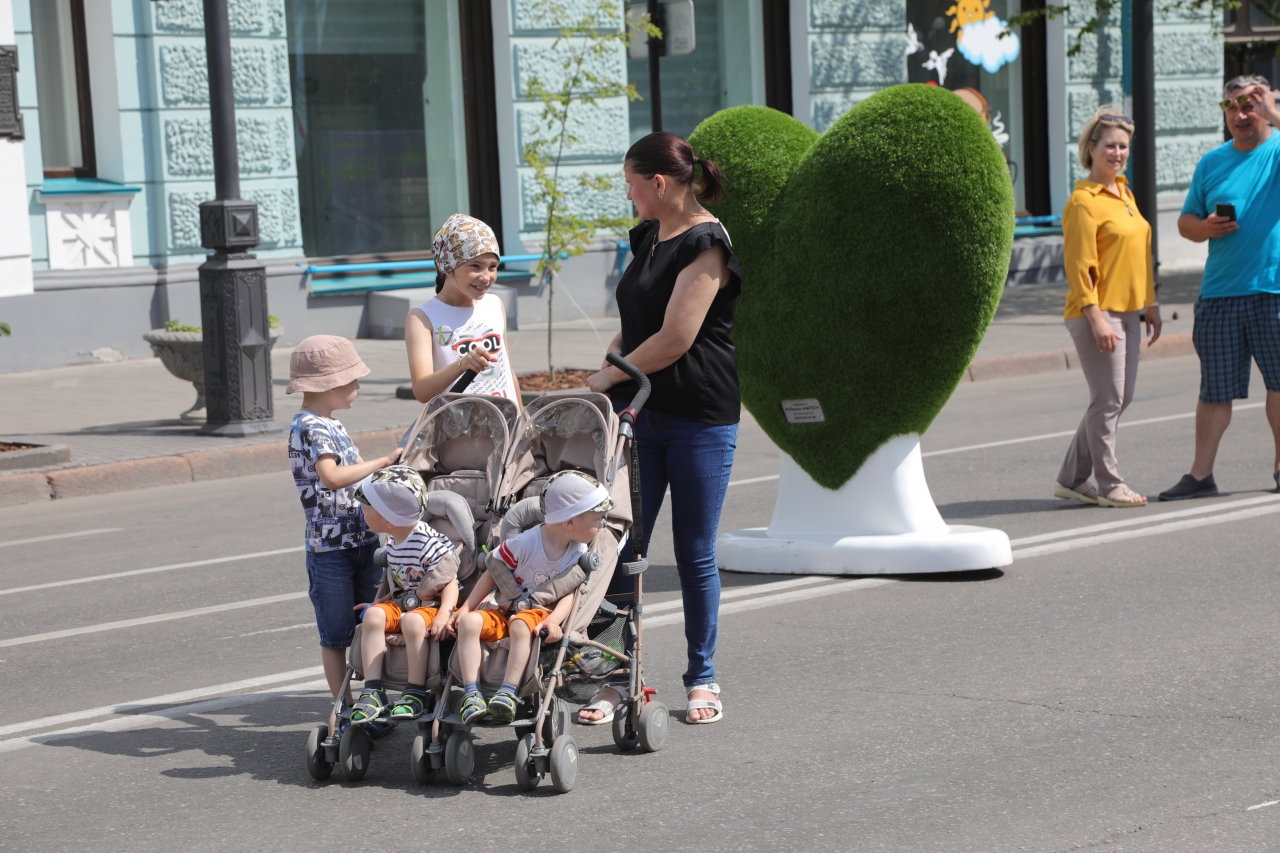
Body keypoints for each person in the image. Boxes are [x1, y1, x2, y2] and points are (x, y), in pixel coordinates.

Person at [582, 131, 741, 725]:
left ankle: (702, 678)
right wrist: (611, 360)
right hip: (641, 412)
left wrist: (609, 375)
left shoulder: (707, 243)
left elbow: (676, 337)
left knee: (694, 552)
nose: (628, 195)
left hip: (699, 415)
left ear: (658, 182)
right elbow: (637, 320)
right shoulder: (650, 235)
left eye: (631, 184)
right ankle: (616, 676)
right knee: (622, 547)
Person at [1159, 76, 1280, 500]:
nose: (1240, 115)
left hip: (1273, 289)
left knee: (1279, 383)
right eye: (1231, 106)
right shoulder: (1211, 162)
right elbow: (1185, 222)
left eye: (1250, 105)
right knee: (1215, 390)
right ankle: (1200, 475)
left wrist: (1274, 113)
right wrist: (1206, 227)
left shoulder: (1277, 149)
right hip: (1220, 292)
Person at [286, 335, 404, 732]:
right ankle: (345, 707)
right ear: (329, 384)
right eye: (352, 379)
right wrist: (382, 461)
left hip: (364, 541)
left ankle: (372, 699)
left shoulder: (332, 424)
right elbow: (333, 477)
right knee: (336, 634)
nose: (357, 386)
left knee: (373, 622)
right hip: (330, 551)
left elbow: (355, 481)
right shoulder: (309, 426)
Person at [1054, 106, 1161, 509]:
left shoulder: (1125, 193)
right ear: (1091, 149)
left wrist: (1151, 303)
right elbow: (1079, 266)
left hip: (1130, 310)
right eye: (1110, 146)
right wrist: (1096, 317)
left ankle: (1070, 478)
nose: (1117, 153)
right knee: (1109, 399)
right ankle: (1110, 484)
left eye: (1123, 147)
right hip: (1097, 313)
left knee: (1118, 398)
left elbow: (1140, 254)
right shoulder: (1084, 201)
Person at [449, 472, 613, 724]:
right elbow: (494, 572)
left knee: (520, 624)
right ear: (570, 523)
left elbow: (569, 593)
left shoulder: (577, 551)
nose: (602, 525)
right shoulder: (525, 544)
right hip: (504, 606)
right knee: (469, 622)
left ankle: (508, 691)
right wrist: (466, 608)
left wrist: (554, 622)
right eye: (598, 519)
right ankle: (472, 692)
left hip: (538, 613)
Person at [347, 466, 459, 724]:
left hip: (433, 604)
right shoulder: (394, 537)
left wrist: (444, 614)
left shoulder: (427, 542)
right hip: (405, 602)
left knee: (412, 621)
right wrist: (381, 601)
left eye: (366, 510)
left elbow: (450, 582)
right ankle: (373, 690)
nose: (362, 513)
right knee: (372, 616)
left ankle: (415, 691)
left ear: (389, 520)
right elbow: (403, 582)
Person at [405, 213, 520, 404]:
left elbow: (509, 374)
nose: (486, 277)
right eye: (475, 266)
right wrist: (461, 365)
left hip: (506, 419)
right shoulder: (422, 318)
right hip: (460, 422)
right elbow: (422, 392)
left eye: (492, 266)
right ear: (448, 266)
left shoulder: (494, 304)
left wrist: (522, 417)